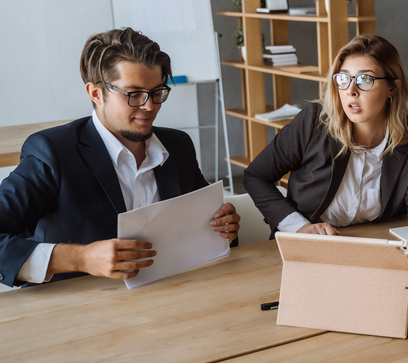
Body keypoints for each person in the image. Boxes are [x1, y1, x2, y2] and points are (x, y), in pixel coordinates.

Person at [0, 28, 240, 288]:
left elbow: (206, 229)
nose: (149, 106)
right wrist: (81, 258)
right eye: (133, 94)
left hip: (171, 295)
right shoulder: (52, 152)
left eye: (157, 91)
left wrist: (224, 227)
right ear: (95, 93)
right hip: (78, 309)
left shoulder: (178, 146)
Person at [243, 35, 408, 241]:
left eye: (365, 80)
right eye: (344, 79)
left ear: (392, 88)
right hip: (308, 245)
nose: (351, 91)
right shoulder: (313, 123)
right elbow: (256, 176)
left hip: (375, 245)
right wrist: (298, 226)